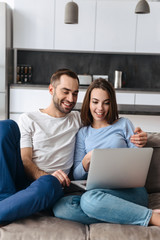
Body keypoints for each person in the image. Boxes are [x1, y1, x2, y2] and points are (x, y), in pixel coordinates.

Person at [0, 69, 147, 225]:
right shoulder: (28, 119)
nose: (71, 99)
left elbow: (102, 124)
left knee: (51, 184)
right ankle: (6, 200)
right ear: (51, 89)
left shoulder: (78, 119)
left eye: (75, 93)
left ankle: (7, 209)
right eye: (66, 92)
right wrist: (46, 175)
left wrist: (140, 137)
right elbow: (25, 160)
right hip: (29, 179)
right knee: (6, 126)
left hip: (52, 187)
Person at [53, 78, 160, 227]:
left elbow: (138, 160)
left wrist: (141, 142)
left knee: (88, 201)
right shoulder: (83, 133)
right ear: (88, 103)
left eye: (106, 103)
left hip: (130, 192)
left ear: (112, 104)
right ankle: (131, 214)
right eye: (95, 102)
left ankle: (150, 218)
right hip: (99, 193)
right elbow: (77, 175)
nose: (100, 108)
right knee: (62, 207)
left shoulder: (124, 124)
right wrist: (87, 160)